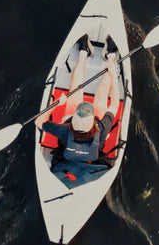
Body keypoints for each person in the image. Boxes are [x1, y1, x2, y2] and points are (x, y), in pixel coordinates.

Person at [35, 34, 121, 187]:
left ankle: (83, 53)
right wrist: (113, 75)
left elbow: (39, 121)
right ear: (92, 122)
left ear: (73, 121)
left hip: (69, 151)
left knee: (75, 89)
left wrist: (56, 103)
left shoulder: (63, 129)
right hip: (92, 149)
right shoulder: (101, 128)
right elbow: (114, 103)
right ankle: (110, 58)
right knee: (102, 98)